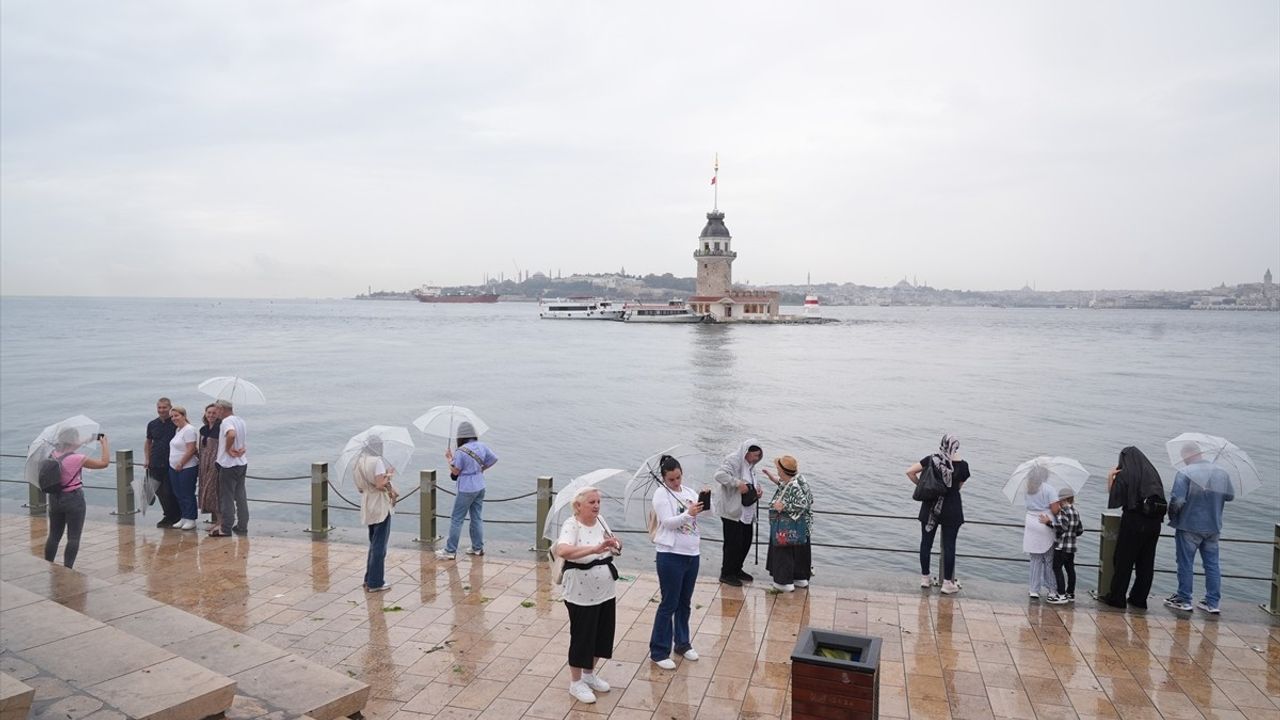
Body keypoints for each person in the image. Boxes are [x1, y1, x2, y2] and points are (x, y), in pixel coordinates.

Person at [553, 486, 622, 704]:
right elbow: (563, 550)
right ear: (578, 505)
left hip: (605, 590)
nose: (596, 505)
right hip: (580, 591)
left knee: (602, 634)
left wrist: (614, 544)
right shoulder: (571, 525)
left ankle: (589, 674)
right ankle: (576, 683)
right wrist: (594, 550)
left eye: (598, 501)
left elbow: (611, 548)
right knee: (582, 636)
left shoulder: (601, 520)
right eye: (591, 502)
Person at [1164, 443, 1234, 614]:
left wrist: (1172, 517)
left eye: (1183, 456)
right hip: (1213, 526)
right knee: (1212, 565)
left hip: (1189, 525)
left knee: (1185, 563)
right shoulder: (1221, 473)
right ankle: (1212, 603)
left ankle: (1184, 599)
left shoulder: (1185, 473)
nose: (1183, 460)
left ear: (1188, 454)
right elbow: (1230, 496)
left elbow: (1178, 501)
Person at [648, 454, 704, 670]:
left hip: (692, 553)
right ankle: (658, 650)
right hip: (670, 555)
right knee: (668, 602)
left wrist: (705, 503)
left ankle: (682, 642)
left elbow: (705, 514)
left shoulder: (688, 492)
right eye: (671, 479)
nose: (676, 482)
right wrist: (688, 515)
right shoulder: (661, 495)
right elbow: (668, 523)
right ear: (664, 478)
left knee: (684, 602)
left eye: (678, 477)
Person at [1096, 446, 1166, 610]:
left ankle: (1117, 598)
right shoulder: (1153, 474)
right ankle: (1139, 599)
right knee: (1146, 563)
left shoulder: (1126, 473)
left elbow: (1115, 500)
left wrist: (1110, 477)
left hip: (1134, 522)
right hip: (1154, 524)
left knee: (1123, 561)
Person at [906, 434, 970, 594]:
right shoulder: (962, 466)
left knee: (926, 543)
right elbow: (959, 487)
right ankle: (947, 583)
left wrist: (923, 485)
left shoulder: (931, 459)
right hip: (951, 509)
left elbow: (910, 472)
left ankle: (925, 579)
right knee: (949, 546)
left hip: (930, 507)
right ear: (956, 447)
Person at [45, 430, 109, 568]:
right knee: (73, 537)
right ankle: (68, 568)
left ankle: (47, 563)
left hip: (54, 498)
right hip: (73, 499)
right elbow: (104, 463)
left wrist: (90, 438)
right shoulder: (78, 458)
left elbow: (71, 445)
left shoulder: (52, 454)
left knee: (54, 535)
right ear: (74, 441)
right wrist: (104, 444)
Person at [436, 421, 498, 560]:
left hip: (466, 488)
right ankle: (477, 548)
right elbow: (494, 459)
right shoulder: (482, 446)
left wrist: (448, 459)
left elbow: (455, 471)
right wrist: (481, 469)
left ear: (460, 436)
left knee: (457, 519)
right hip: (480, 485)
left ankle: (450, 550)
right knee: (476, 517)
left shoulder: (461, 451)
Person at [713, 439, 763, 587]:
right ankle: (726, 573)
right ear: (746, 452)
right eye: (753, 455)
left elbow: (752, 482)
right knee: (732, 543)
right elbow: (719, 475)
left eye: (758, 456)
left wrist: (757, 490)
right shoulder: (733, 460)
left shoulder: (751, 466)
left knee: (746, 541)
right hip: (732, 509)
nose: (756, 458)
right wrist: (737, 483)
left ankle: (737, 569)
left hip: (747, 510)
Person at [761, 455, 813, 592]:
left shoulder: (793, 485)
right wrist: (774, 480)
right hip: (801, 527)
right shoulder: (799, 480)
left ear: (782, 470)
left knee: (783, 552)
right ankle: (799, 578)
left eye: (778, 469)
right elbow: (789, 487)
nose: (777, 471)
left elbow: (803, 504)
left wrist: (783, 507)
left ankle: (783, 582)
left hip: (787, 526)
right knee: (799, 551)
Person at [354, 437, 399, 593]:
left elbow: (360, 487)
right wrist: (389, 475)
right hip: (379, 504)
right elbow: (380, 485)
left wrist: (383, 477)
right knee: (380, 544)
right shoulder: (377, 461)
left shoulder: (358, 462)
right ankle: (375, 582)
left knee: (373, 542)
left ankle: (368, 578)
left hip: (367, 503)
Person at [210, 399, 249, 538]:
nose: (216, 413)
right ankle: (242, 524)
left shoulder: (226, 422)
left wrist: (227, 449)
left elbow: (231, 434)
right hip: (241, 462)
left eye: (217, 410)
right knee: (240, 495)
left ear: (222, 409)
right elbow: (241, 439)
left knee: (226, 497)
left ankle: (225, 528)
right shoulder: (241, 420)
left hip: (228, 464)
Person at [1041, 486, 1083, 604]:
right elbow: (1080, 530)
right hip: (1072, 547)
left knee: (1057, 568)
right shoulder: (1075, 512)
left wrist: (1049, 523)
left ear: (1063, 500)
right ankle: (1070, 593)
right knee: (1070, 569)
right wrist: (1072, 535)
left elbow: (1062, 528)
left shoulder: (1064, 512)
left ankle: (1061, 594)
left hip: (1062, 547)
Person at [1023, 465, 1058, 600]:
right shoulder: (1049, 489)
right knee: (1049, 559)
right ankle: (1052, 589)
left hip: (1031, 522)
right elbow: (1055, 509)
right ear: (1045, 476)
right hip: (1045, 522)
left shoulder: (1028, 488)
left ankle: (1034, 589)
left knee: (1035, 558)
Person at [144, 397, 180, 528]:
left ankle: (177, 515)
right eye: (159, 408)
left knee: (170, 490)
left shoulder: (176, 422)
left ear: (170, 408)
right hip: (155, 461)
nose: (162, 410)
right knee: (159, 491)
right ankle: (168, 515)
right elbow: (148, 442)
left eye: (164, 407)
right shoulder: (152, 424)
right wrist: (147, 459)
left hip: (171, 462)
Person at [167, 406, 200, 530]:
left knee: (187, 493)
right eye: (172, 416)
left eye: (176, 415)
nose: (174, 418)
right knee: (178, 493)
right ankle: (184, 516)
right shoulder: (178, 430)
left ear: (184, 416)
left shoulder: (189, 430)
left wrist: (181, 463)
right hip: (173, 467)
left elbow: (191, 449)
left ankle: (191, 518)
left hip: (187, 467)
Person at [197, 404, 221, 528]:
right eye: (209, 413)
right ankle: (214, 520)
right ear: (205, 414)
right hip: (204, 464)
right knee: (206, 490)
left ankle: (220, 522)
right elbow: (201, 448)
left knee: (214, 491)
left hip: (215, 464)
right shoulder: (203, 429)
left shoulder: (220, 429)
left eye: (214, 413)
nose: (211, 415)